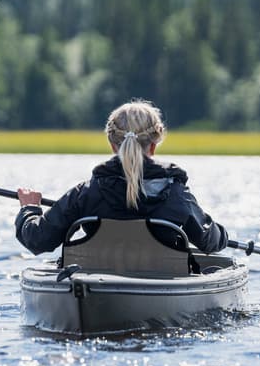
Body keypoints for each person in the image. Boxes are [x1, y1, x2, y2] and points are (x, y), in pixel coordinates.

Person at [15, 99, 228, 256]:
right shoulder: (177, 195)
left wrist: (29, 209)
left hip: (98, 285)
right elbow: (209, 243)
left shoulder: (86, 194)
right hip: (160, 285)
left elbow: (37, 239)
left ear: (111, 143)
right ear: (153, 145)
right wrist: (219, 231)